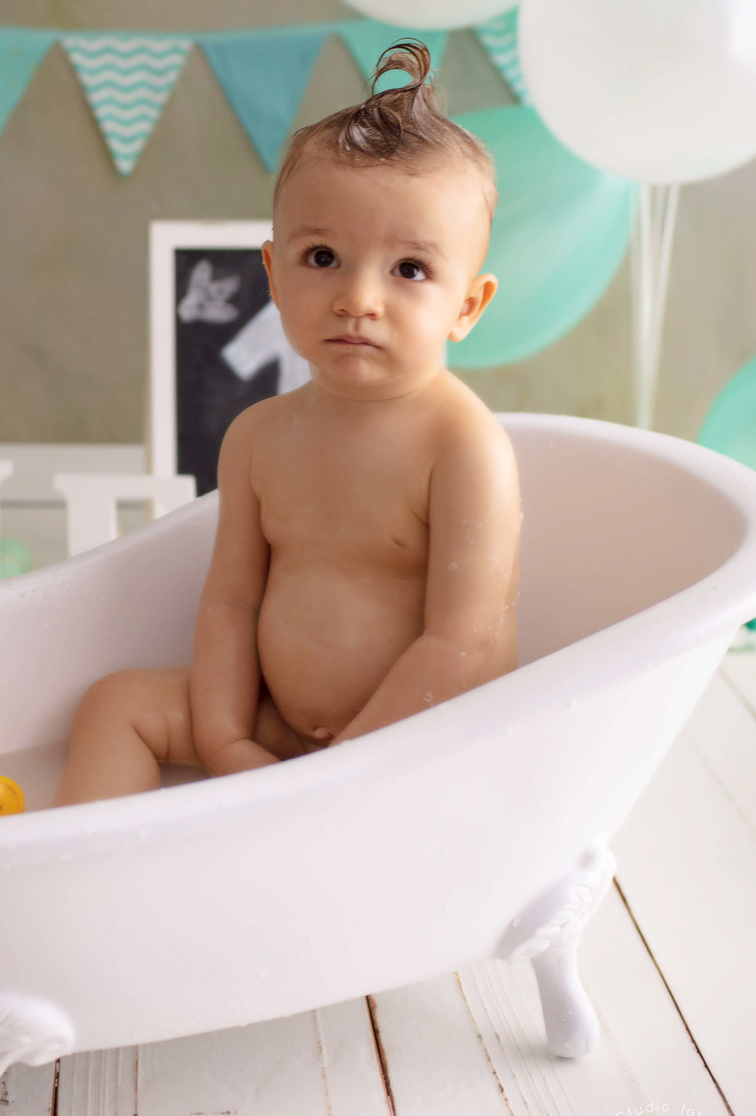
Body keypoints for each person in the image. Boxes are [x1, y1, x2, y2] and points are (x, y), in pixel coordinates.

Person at [54, 40, 520, 805]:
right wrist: (226, 738)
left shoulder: (464, 447)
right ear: (272, 274)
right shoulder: (259, 437)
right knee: (116, 705)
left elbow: (462, 644)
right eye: (323, 256)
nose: (357, 298)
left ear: (467, 306)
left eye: (409, 270)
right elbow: (231, 602)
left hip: (418, 745)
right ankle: (68, 874)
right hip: (281, 732)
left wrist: (346, 774)